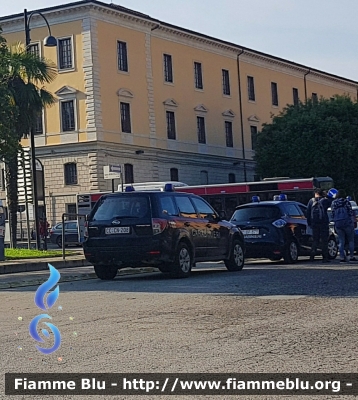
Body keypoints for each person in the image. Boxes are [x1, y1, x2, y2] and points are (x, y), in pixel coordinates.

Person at [307, 188, 333, 262]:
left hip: (314, 224)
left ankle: (312, 256)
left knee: (315, 240)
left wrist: (309, 223)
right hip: (323, 223)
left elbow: (308, 212)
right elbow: (331, 202)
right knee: (324, 240)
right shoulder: (325, 200)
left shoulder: (311, 201)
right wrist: (327, 196)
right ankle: (325, 257)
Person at [331, 189, 357, 263]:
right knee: (351, 240)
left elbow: (332, 214)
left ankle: (342, 257)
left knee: (341, 241)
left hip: (338, 224)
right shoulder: (346, 202)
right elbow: (350, 212)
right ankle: (351, 256)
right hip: (347, 223)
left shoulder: (333, 203)